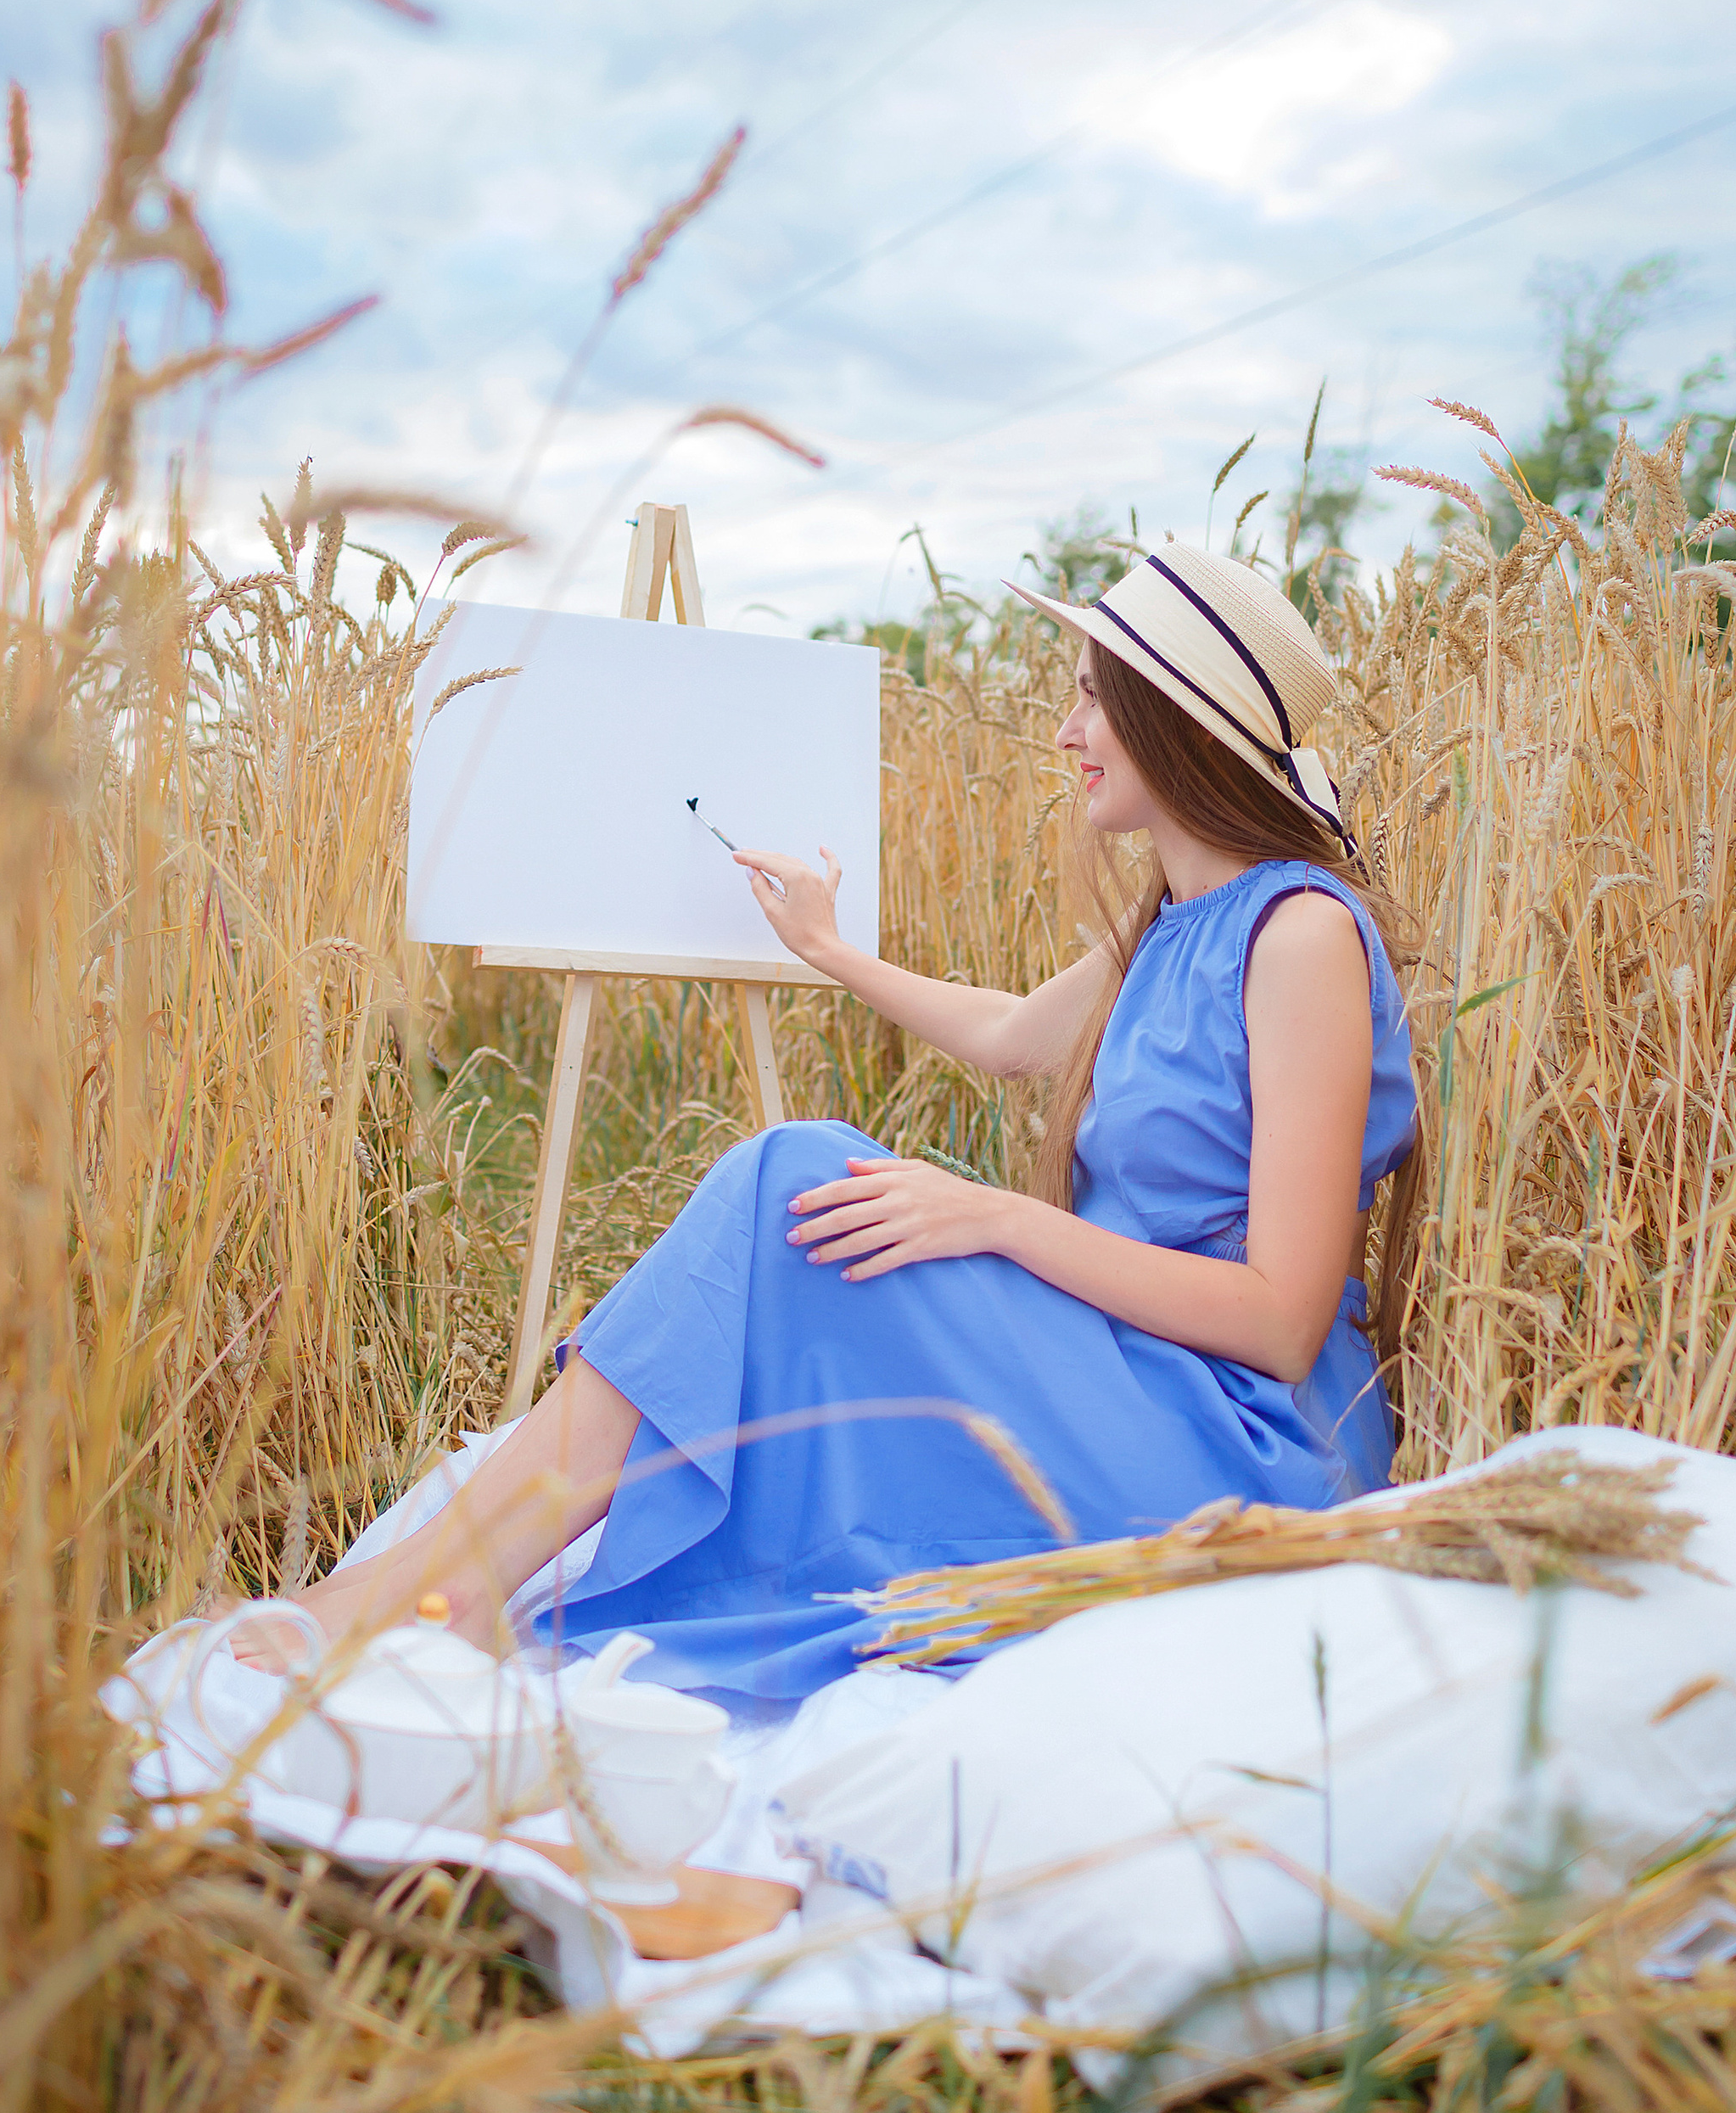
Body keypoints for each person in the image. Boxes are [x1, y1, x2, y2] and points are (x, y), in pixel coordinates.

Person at [255, 538, 1420, 1706]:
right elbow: (1011, 1033)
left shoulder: (1299, 933)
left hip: (1238, 1442)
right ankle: (446, 1580)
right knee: (803, 1185)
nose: (1066, 733)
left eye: (1090, 698)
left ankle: (444, 1587)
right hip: (1125, 1375)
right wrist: (826, 949)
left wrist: (997, 1223)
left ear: (1177, 720)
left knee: (796, 1174)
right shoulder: (1174, 924)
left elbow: (1280, 1319)